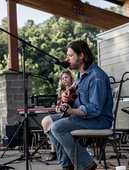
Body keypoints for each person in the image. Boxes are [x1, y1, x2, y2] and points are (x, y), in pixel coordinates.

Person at [45, 40, 113, 170]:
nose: (67, 59)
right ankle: (68, 166)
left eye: (70, 56)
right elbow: (77, 85)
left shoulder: (97, 77)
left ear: (81, 56)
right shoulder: (81, 73)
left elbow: (95, 109)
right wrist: (69, 90)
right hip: (83, 117)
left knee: (57, 128)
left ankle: (86, 164)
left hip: (98, 120)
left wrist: (71, 111)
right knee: (47, 122)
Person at [41, 70, 75, 161]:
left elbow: (74, 105)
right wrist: (57, 108)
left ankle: (56, 152)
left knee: (49, 123)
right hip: (62, 114)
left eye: (66, 77)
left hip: (72, 114)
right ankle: (55, 151)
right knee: (48, 124)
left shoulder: (75, 90)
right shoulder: (61, 92)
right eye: (63, 78)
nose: (64, 79)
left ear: (71, 78)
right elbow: (58, 106)